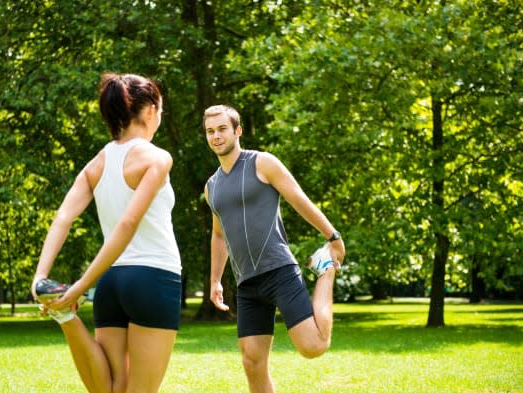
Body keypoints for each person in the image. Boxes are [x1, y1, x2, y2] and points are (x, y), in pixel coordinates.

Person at [31, 73, 182, 393]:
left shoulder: (97, 162)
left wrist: (40, 276)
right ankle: (66, 311)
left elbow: (63, 217)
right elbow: (128, 224)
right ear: (150, 111)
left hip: (112, 283)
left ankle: (66, 318)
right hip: (154, 278)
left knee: (110, 389)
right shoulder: (157, 157)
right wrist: (82, 286)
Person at [203, 104, 346, 393]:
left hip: (278, 269)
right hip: (246, 283)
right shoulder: (212, 186)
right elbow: (219, 237)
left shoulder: (262, 163)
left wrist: (332, 236)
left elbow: (298, 198)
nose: (216, 136)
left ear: (237, 131)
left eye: (222, 129)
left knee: (313, 346)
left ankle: (326, 270)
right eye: (210, 131)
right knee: (252, 363)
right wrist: (215, 279)